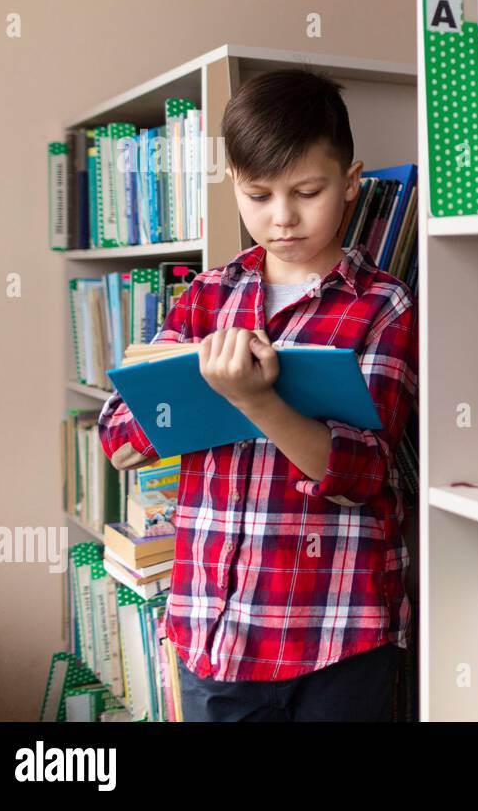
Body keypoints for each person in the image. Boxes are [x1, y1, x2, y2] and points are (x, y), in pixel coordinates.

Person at [98, 68, 417, 720]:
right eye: (258, 194)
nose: (282, 217)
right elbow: (118, 434)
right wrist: (176, 398)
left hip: (338, 639)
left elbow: (362, 474)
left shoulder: (384, 306)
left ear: (351, 182)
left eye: (307, 191)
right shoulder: (206, 297)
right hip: (215, 632)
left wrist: (258, 401)